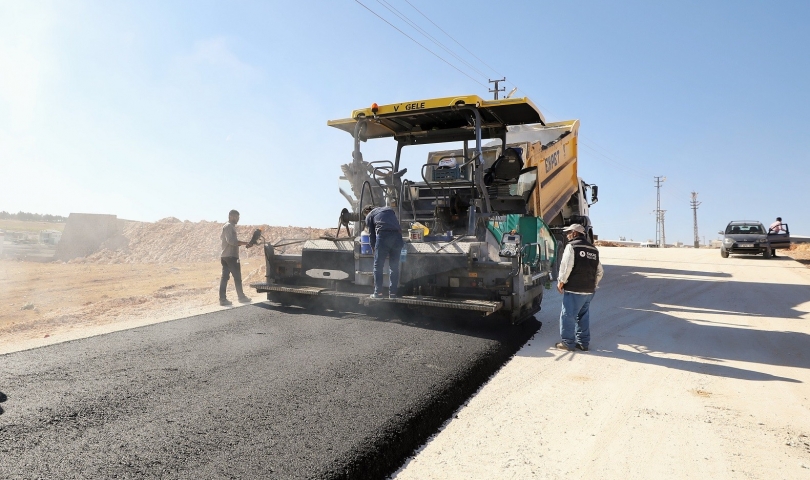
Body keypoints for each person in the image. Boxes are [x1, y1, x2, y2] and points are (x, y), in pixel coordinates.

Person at [555, 224, 603, 352]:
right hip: (589, 291)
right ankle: (583, 343)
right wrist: (593, 284)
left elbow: (566, 266)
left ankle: (568, 343)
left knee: (567, 316)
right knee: (583, 316)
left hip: (574, 289)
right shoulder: (593, 249)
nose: (567, 235)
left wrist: (561, 282)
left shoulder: (572, 246)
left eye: (569, 232)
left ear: (575, 233)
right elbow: (600, 272)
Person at [363, 205, 404, 299]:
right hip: (398, 237)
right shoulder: (388, 209)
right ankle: (393, 294)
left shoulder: (369, 215)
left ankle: (378, 293)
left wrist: (373, 247)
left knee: (378, 266)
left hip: (384, 236)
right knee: (394, 267)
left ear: (367, 211)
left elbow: (372, 235)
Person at [219, 209, 252, 306]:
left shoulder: (228, 226)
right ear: (231, 216)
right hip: (231, 256)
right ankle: (241, 297)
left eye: (238, 217)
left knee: (224, 278)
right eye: (236, 217)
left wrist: (244, 243)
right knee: (237, 278)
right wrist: (246, 243)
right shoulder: (229, 226)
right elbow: (231, 241)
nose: (238, 219)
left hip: (225, 256)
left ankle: (223, 299)